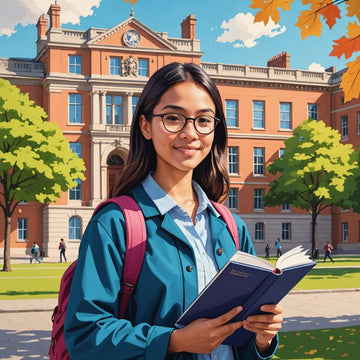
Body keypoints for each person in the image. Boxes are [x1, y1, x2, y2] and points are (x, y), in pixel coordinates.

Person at [64, 62, 283, 360]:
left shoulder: (231, 226)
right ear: (146, 126)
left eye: (203, 120)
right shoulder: (114, 223)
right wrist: (174, 341)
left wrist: (261, 340)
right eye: (173, 118)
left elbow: (236, 339)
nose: (190, 133)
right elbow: (85, 335)